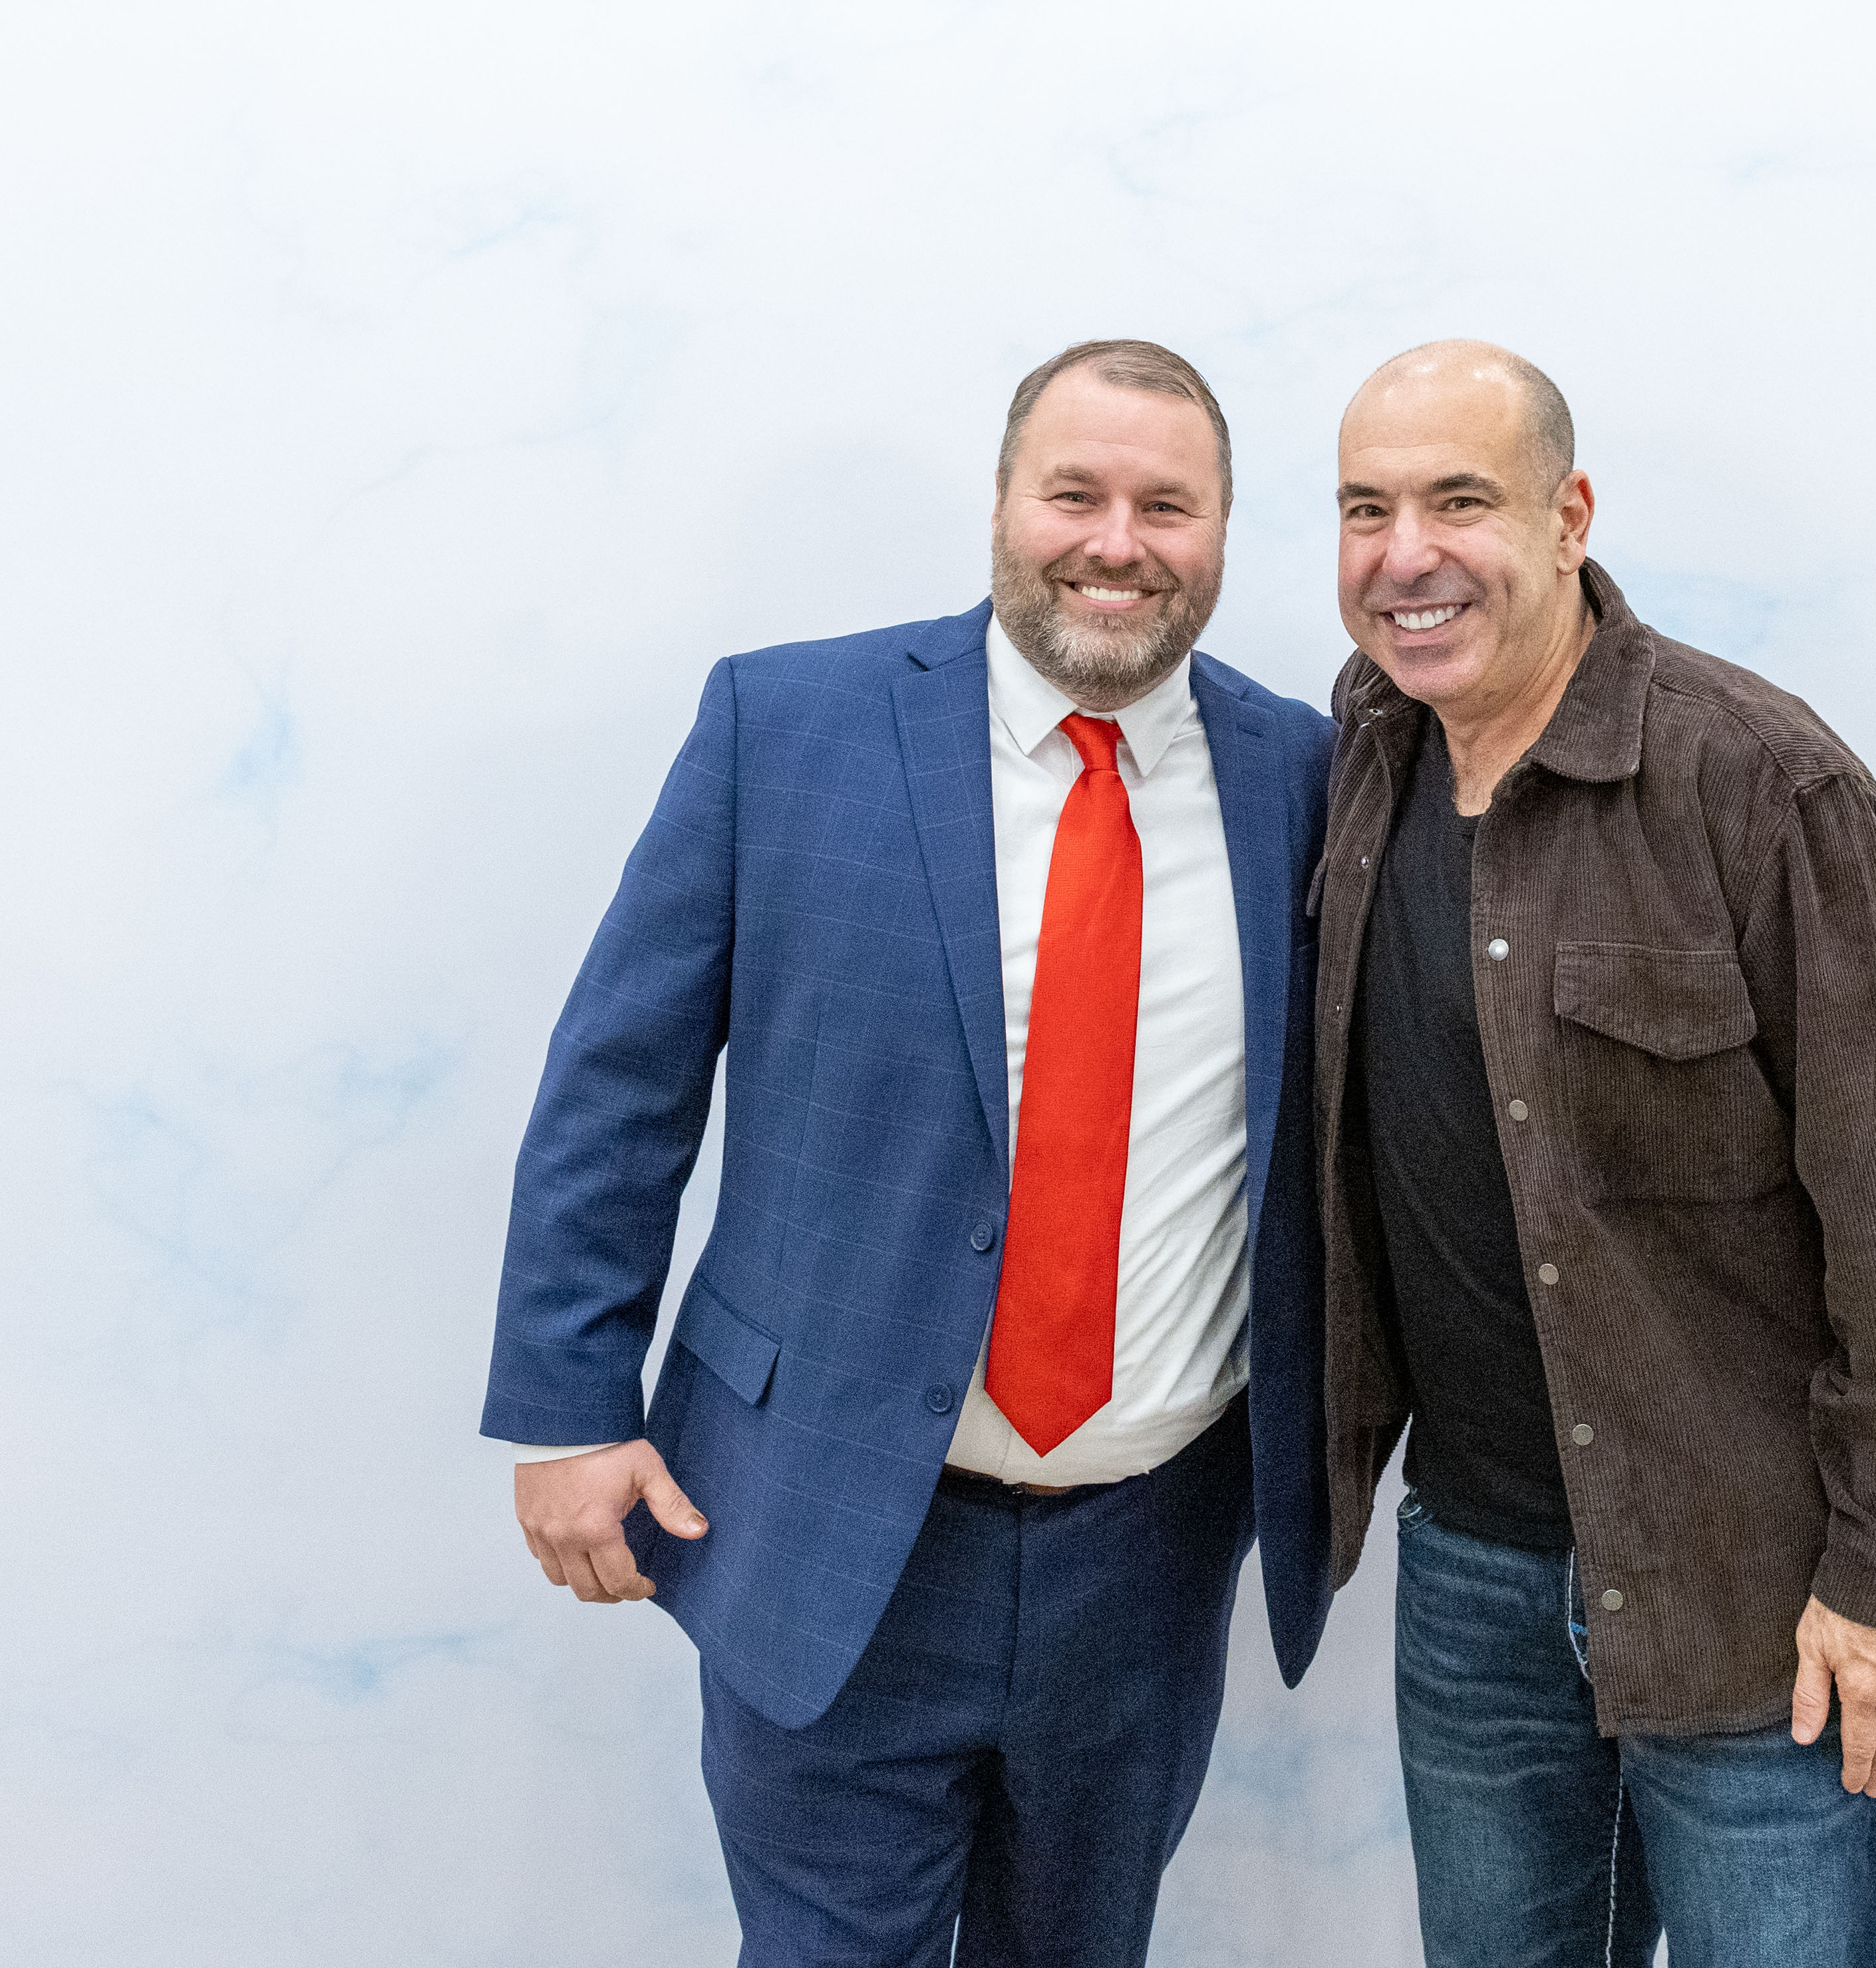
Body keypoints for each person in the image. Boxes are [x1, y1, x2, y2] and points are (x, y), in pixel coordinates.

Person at [480, 339, 1337, 1967]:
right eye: (1075, 493)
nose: (1118, 542)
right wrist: (569, 1406)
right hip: (825, 1526)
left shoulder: (1308, 775)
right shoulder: (786, 725)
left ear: (1223, 532)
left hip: (1146, 1561)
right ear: (1003, 502)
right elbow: (619, 1083)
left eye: (1168, 506)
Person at [1311, 340, 1876, 1967]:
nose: (1405, 554)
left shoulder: (1761, 784)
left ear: (1569, 517)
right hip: (1472, 1579)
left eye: (1459, 501)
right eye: (1364, 508)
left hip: (1758, 1603)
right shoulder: (1365, 756)